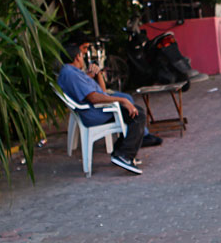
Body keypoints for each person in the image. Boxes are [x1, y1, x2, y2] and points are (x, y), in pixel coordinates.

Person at [58, 42, 160, 175]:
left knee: (135, 110)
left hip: (98, 109)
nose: (83, 58)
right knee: (137, 115)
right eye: (82, 56)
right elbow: (94, 98)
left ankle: (120, 152)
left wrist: (98, 74)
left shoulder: (73, 72)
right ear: (77, 57)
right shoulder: (71, 74)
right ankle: (124, 154)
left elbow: (102, 91)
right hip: (96, 113)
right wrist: (122, 101)